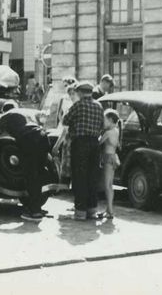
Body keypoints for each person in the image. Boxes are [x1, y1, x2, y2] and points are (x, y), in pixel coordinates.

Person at [0, 101, 52, 221]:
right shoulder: (24, 113)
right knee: (39, 174)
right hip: (43, 137)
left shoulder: (6, 116)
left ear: (3, 111)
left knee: (31, 175)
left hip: (29, 139)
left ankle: (35, 213)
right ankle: (36, 207)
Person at [60, 81, 105, 220]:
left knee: (79, 177)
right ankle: (92, 210)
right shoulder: (99, 106)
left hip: (80, 143)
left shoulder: (78, 105)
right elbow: (102, 126)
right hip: (94, 143)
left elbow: (65, 120)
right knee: (92, 177)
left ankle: (80, 211)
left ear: (79, 92)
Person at [100, 108, 122, 220]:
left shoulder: (108, 133)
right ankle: (108, 209)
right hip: (113, 157)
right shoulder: (116, 131)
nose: (103, 122)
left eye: (104, 120)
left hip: (108, 158)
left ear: (109, 120)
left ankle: (110, 211)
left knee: (107, 185)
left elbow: (99, 142)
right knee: (110, 185)